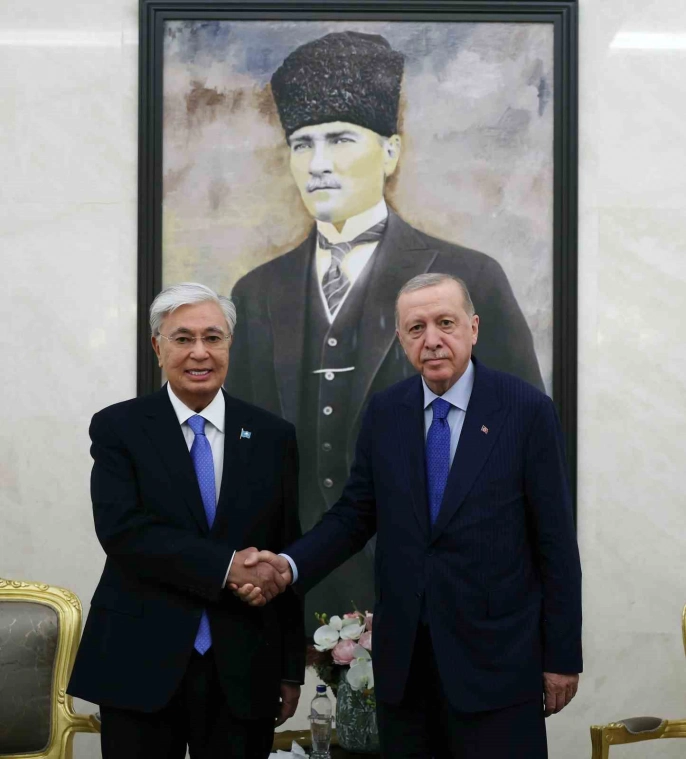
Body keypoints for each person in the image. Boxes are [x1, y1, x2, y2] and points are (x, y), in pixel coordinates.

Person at [226, 31, 545, 632]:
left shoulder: (473, 277)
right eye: (302, 144)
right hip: (296, 591)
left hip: (438, 593)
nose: (318, 163)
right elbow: (241, 459)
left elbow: (526, 456)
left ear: (391, 151)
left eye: (341, 139)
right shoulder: (256, 292)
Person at [233, 273, 582, 758]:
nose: (432, 339)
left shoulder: (526, 411)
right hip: (406, 672)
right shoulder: (386, 412)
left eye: (445, 323)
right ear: (401, 339)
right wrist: (288, 566)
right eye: (416, 328)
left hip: (498, 667)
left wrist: (562, 656)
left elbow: (556, 542)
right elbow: (354, 515)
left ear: (473, 328)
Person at [67, 283, 303, 759]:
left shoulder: (273, 436)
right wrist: (226, 567)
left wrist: (290, 667)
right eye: (182, 338)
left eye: (213, 338)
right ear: (158, 347)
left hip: (244, 662)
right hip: (140, 659)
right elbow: (122, 531)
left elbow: (285, 547)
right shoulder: (119, 427)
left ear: (229, 345)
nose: (200, 352)